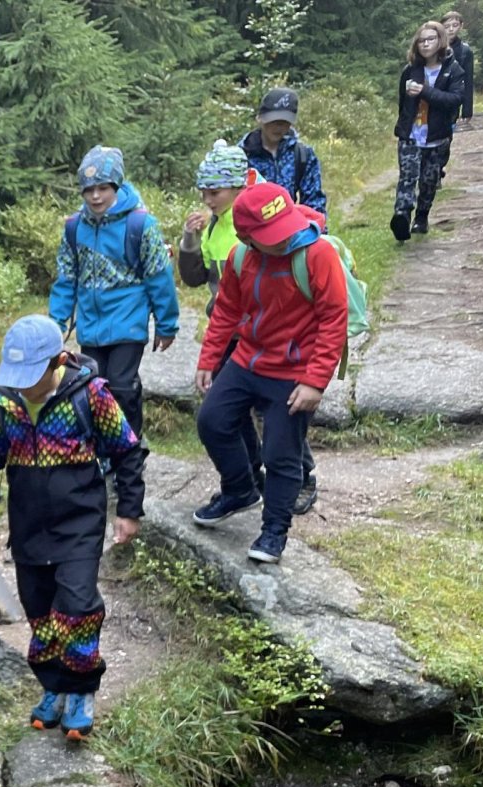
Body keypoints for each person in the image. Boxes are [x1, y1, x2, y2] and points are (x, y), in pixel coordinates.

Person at [0, 315, 143, 741]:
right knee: (38, 608)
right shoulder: (7, 401)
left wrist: (129, 510)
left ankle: (81, 689)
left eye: (30, 377)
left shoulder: (90, 395)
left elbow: (127, 450)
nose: (23, 387)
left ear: (57, 361)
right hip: (28, 525)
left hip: (79, 522)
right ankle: (53, 683)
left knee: (77, 606)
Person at [192, 184, 347, 564]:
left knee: (281, 454)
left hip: (294, 372)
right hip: (248, 360)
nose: (282, 239)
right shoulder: (240, 257)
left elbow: (333, 320)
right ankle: (240, 490)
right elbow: (226, 310)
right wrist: (209, 359)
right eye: (270, 235)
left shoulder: (317, 254)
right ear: (247, 237)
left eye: (283, 228)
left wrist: (315, 381)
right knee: (212, 421)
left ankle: (274, 531)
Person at [48, 144, 179, 446]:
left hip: (128, 322)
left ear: (116, 185)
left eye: (103, 188)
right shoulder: (74, 228)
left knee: (121, 386)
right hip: (91, 326)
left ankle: (130, 448)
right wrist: (56, 325)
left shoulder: (140, 224)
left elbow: (159, 277)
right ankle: (103, 453)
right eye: (88, 189)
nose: (95, 196)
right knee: (92, 387)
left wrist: (166, 324)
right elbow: (66, 280)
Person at [177, 141, 265, 497]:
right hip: (227, 333)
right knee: (232, 411)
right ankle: (251, 473)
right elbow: (196, 278)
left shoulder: (252, 222)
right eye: (203, 192)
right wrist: (190, 239)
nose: (207, 200)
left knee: (272, 409)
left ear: (238, 186)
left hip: (258, 334)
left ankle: (301, 477)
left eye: (214, 192)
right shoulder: (214, 225)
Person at [391, 20, 467, 241]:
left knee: (428, 181)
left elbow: (454, 100)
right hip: (411, 135)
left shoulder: (453, 70)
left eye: (430, 39)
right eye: (421, 40)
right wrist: (403, 126)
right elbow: (402, 103)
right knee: (407, 177)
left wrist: (424, 91)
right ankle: (402, 216)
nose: (425, 44)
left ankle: (421, 217)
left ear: (440, 41)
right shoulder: (410, 71)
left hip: (437, 137)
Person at [238, 87, 328, 219]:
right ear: (260, 118)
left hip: (289, 227)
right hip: (250, 226)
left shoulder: (302, 155)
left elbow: (314, 202)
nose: (278, 127)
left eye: (284, 122)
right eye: (273, 121)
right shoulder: (241, 156)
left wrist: (313, 228)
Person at [443, 12, 474, 125]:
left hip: (454, 98)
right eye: (447, 26)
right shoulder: (434, 46)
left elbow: (468, 81)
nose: (451, 29)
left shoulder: (465, 51)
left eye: (455, 25)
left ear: (461, 26)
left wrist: (467, 111)